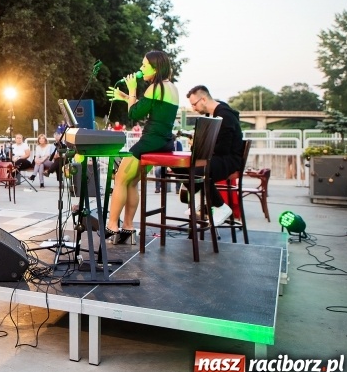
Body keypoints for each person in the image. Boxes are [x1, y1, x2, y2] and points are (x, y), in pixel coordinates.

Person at [104, 50, 179, 244]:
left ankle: (112, 226)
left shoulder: (155, 87)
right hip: (163, 141)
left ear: (156, 68)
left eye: (145, 65)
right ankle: (128, 228)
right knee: (131, 182)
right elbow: (146, 107)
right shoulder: (170, 87)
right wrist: (125, 97)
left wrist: (131, 90)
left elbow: (133, 114)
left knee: (120, 178)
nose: (141, 68)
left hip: (150, 141)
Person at [183, 85, 244, 225]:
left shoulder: (224, 116)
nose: (193, 108)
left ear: (203, 99)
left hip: (229, 160)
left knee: (196, 172)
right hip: (221, 158)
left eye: (194, 104)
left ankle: (220, 206)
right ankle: (201, 201)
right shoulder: (217, 113)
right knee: (182, 168)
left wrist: (198, 145)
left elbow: (223, 148)